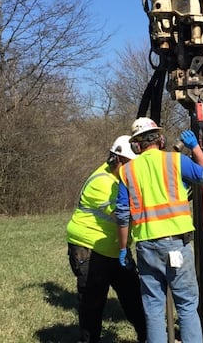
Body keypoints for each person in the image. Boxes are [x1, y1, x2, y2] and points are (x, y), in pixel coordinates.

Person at [115, 117, 203, 343]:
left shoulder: (126, 171)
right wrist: (196, 148)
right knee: (187, 306)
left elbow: (122, 215)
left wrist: (124, 248)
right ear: (160, 139)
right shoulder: (175, 161)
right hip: (176, 245)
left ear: (136, 145)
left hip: (146, 248)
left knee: (153, 309)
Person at [66, 135, 148, 343]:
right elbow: (125, 214)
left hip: (115, 248)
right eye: (130, 164)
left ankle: (147, 336)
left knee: (134, 297)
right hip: (90, 248)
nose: (134, 169)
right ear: (117, 160)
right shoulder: (102, 182)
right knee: (92, 302)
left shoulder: (119, 179)